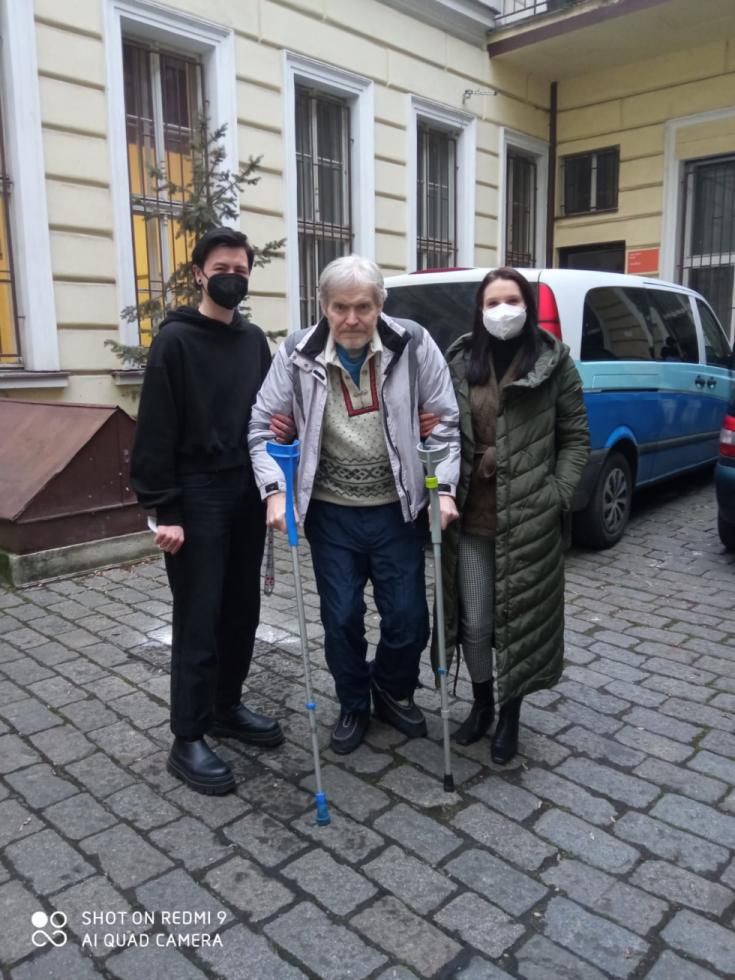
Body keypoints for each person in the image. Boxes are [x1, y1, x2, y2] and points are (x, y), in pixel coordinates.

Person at [249, 255, 460, 755]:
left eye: (363, 307)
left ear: (380, 304)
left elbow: (445, 422)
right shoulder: (297, 353)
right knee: (341, 617)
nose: (351, 319)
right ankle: (352, 702)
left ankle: (388, 688)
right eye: (339, 307)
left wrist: (444, 488)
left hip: (397, 508)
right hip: (331, 512)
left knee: (408, 619)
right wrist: (275, 491)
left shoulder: (412, 344)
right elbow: (262, 427)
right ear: (323, 306)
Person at [130, 226, 284, 796]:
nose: (232, 278)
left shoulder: (253, 342)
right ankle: (187, 735)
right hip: (196, 496)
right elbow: (155, 429)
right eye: (222, 269)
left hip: (245, 490)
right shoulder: (175, 341)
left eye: (241, 271)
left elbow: (266, 414)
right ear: (199, 274)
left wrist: (277, 468)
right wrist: (164, 509)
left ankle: (226, 706)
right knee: (199, 615)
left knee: (242, 608)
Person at [429, 267, 589, 765]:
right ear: (479, 310)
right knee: (476, 622)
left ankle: (510, 716)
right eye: (493, 302)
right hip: (471, 520)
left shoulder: (554, 363)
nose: (503, 310)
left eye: (512, 300)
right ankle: (481, 704)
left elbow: (576, 438)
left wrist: (556, 495)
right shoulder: (459, 361)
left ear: (528, 306)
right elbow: (440, 427)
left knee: (519, 624)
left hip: (528, 521)